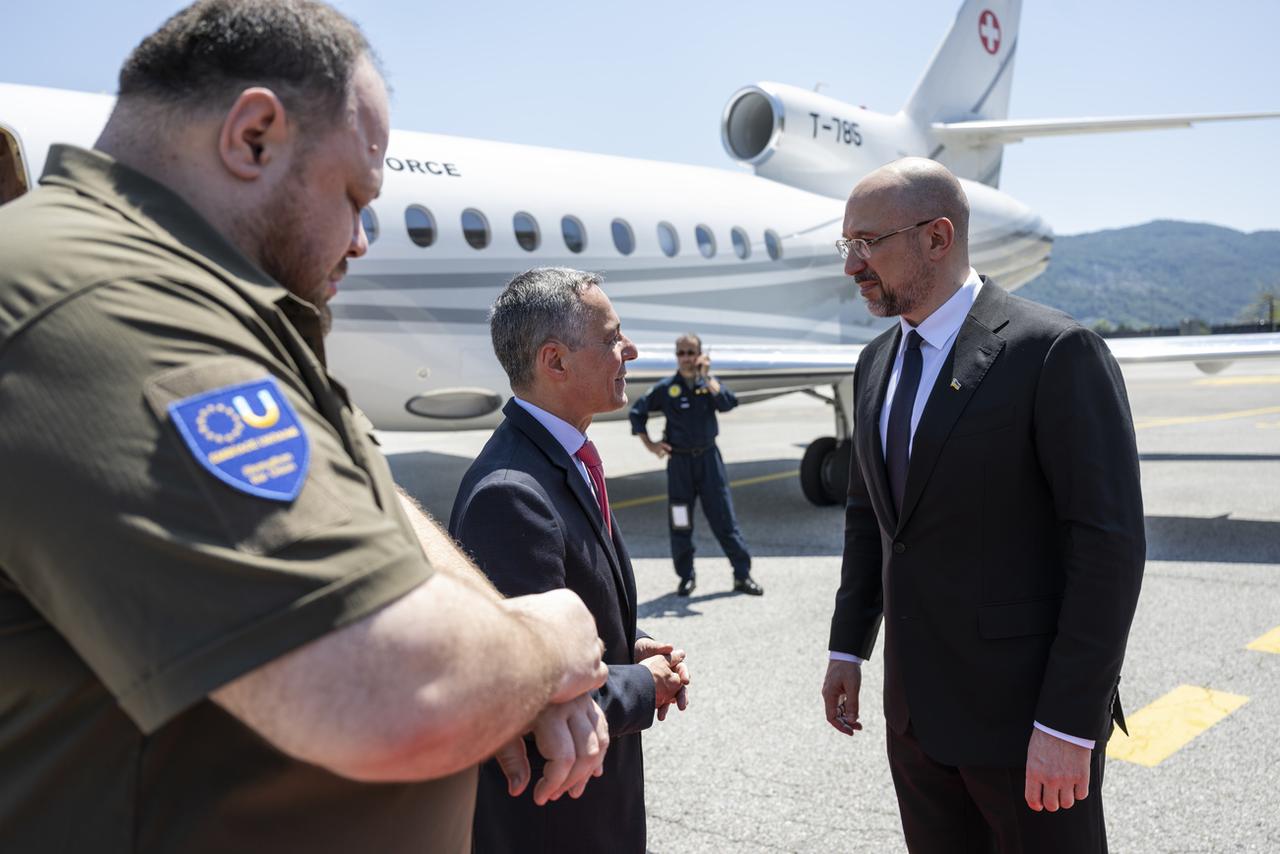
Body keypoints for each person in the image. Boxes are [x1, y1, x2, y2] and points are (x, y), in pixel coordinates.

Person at [0, 4, 611, 852]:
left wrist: (499, 673)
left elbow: (376, 515)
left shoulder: (213, 302)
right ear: (253, 137)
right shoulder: (105, 305)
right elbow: (393, 695)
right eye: (356, 196)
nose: (361, 239)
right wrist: (553, 643)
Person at [820, 157, 1145, 853]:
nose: (852, 265)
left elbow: (1107, 551)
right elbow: (869, 520)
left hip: (1025, 725)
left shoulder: (1053, 351)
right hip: (915, 721)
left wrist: (1068, 727)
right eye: (846, 245)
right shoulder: (875, 361)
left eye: (867, 243)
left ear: (938, 238)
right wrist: (848, 644)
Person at [450, 267, 691, 854]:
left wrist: (620, 644)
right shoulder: (512, 492)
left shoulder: (558, 455)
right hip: (556, 822)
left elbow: (559, 627)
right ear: (554, 362)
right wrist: (644, 683)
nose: (629, 349)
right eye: (611, 337)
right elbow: (527, 696)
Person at [629, 333, 762, 596]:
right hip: (679, 465)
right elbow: (637, 413)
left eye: (691, 353)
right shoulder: (667, 388)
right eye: (681, 353)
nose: (686, 358)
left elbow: (728, 402)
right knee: (681, 522)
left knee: (724, 520)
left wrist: (706, 376)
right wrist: (651, 444)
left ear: (700, 355)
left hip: (709, 462)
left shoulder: (708, 385)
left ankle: (742, 575)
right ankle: (686, 576)